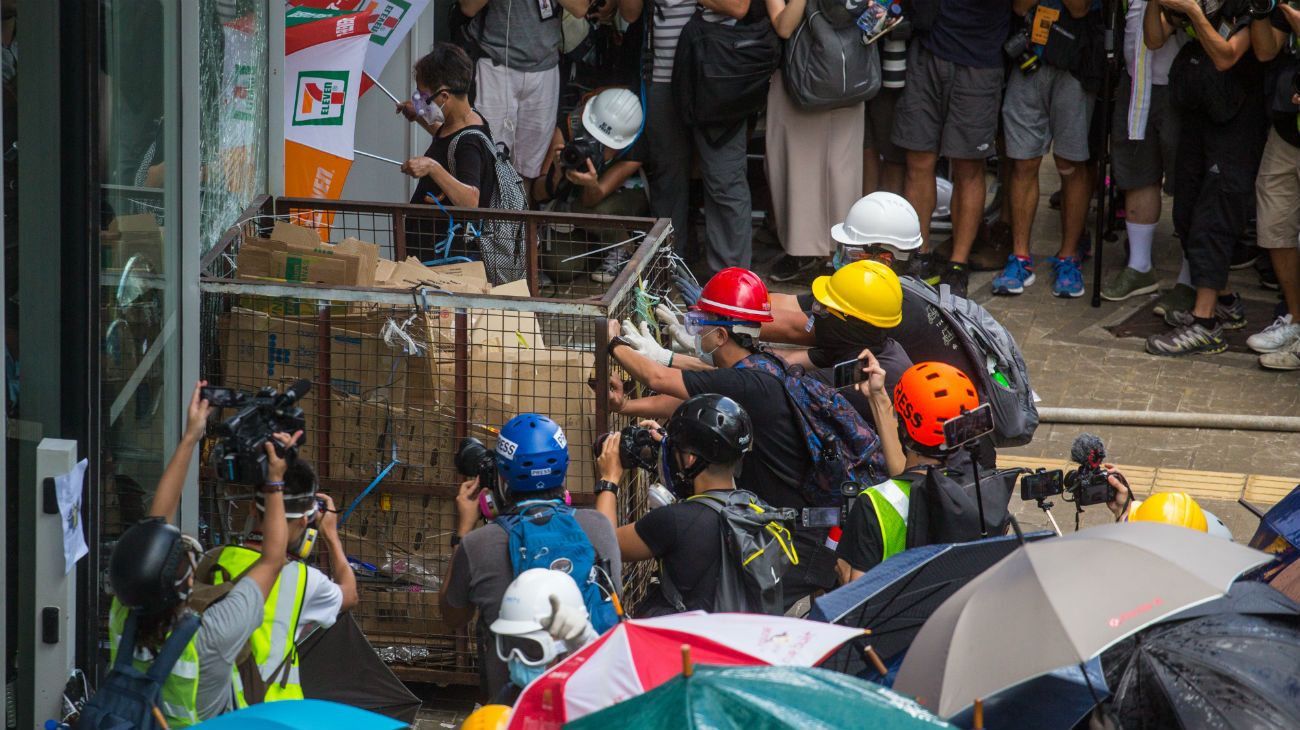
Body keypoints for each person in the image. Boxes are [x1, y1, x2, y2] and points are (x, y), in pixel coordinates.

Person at [607, 267, 884, 604]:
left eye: (701, 324)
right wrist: (626, 406)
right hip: (808, 522)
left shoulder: (748, 384)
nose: (697, 332)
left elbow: (660, 379)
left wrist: (611, 342)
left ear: (722, 336)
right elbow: (685, 398)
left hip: (806, 536)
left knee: (749, 608)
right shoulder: (760, 367)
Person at [103, 381, 295, 726]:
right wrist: (276, 479)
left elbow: (156, 522)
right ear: (185, 581)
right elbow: (273, 558)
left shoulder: (123, 613)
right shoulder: (213, 635)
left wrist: (192, 437)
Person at [440, 413, 622, 700]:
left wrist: (462, 531)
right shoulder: (599, 528)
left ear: (501, 478)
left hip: (513, 710)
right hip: (588, 700)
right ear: (564, 471)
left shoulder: (477, 545)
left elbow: (453, 615)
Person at [1144, 0, 1268, 356]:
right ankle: (1225, 299)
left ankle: (1206, 324)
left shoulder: (1249, 5)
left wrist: (1195, 15)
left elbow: (1227, 55)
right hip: (1198, 112)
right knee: (1185, 214)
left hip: (1237, 119)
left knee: (1214, 218)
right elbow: (1154, 39)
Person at [894, 0, 1036, 296]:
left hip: (979, 58)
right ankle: (918, 257)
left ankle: (958, 264)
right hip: (928, 46)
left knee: (968, 166)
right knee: (918, 161)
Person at [620, 0, 760, 276]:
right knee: (667, 179)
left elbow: (738, 6)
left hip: (715, 75)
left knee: (724, 180)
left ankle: (731, 280)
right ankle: (669, 269)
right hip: (661, 77)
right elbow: (630, 13)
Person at [596, 395, 769, 615]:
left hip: (684, 642)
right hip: (733, 637)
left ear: (690, 459)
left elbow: (606, 545)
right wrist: (671, 446)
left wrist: (608, 480)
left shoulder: (674, 521)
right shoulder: (755, 508)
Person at [213, 445, 357, 705]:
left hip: (217, 711)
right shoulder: (304, 580)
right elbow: (349, 594)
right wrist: (332, 537)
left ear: (252, 510)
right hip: (274, 713)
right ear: (304, 522)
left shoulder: (214, 559)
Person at [992, 0, 1099, 299]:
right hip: (1028, 59)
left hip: (1075, 64)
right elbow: (1019, 6)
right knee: (1023, 162)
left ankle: (1068, 258)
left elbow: (1079, 7)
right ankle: (1020, 258)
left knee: (1070, 164)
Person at [836, 361, 976, 580]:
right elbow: (909, 473)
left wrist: (843, 567)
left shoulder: (874, 504)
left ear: (902, 426)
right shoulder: (977, 483)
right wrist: (878, 397)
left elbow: (857, 600)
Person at [762, 0, 865, 282]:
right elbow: (783, 27)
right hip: (799, 77)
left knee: (843, 169)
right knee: (797, 167)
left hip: (846, 72)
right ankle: (803, 253)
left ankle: (843, 253)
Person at [1101, 0, 1187, 306]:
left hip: (1182, 83)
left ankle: (1192, 278)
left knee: (1189, 178)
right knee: (1138, 172)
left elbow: (1158, 34)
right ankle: (1139, 266)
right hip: (1136, 79)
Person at [456, 0, 594, 184]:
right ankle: (484, 213)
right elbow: (468, 7)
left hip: (544, 67)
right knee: (485, 162)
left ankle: (520, 212)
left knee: (527, 172)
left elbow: (580, 8)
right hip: (494, 64)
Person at [532, 87, 649, 282]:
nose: (595, 145)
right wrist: (557, 175)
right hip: (570, 210)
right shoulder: (569, 126)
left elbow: (591, 199)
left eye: (605, 144)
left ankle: (624, 246)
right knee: (561, 268)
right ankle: (595, 250)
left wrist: (591, 184)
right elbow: (537, 193)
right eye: (592, 136)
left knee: (593, 208)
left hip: (613, 203)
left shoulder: (635, 144)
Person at [1247, 3, 1300, 370]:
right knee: (1274, 226)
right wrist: (1261, 10)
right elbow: (1266, 49)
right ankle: (1296, 320)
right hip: (1286, 130)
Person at [399, 43, 498, 209]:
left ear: (444, 96)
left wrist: (431, 167)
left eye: (423, 95)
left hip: (446, 234)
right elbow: (447, 139)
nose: (419, 100)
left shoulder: (469, 143)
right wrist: (419, 115)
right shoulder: (464, 120)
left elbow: (471, 201)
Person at [487, 568, 600, 703]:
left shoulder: (587, 701)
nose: (517, 659)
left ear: (566, 651)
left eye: (531, 648)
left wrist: (588, 648)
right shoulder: (509, 698)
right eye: (509, 644)